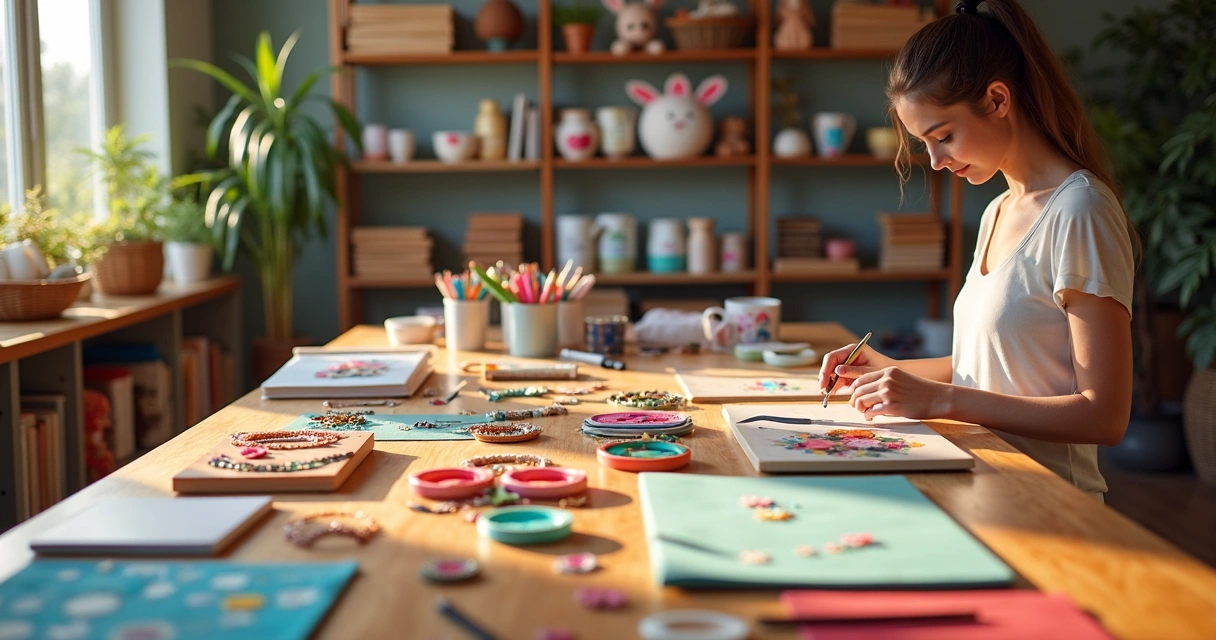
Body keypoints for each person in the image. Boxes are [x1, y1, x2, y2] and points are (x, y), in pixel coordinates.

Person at [818, 0, 1138, 502]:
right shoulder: (997, 211)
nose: (935, 161)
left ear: (997, 99)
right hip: (982, 487)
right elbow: (991, 366)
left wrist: (940, 400)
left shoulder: (1080, 211)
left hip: (1052, 506)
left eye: (943, 136)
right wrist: (884, 369)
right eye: (925, 144)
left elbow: (1104, 415)